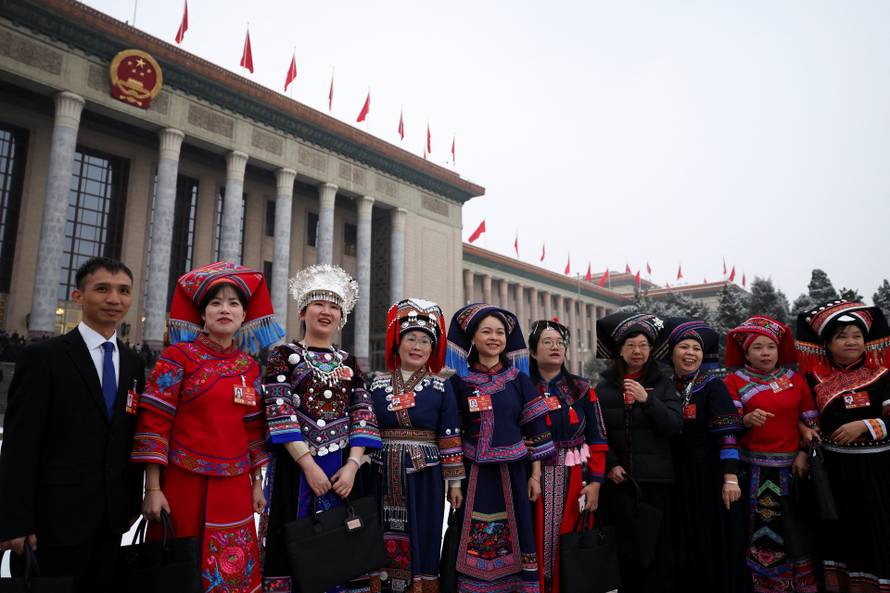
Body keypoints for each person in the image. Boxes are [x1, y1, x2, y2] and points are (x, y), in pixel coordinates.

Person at [131, 262, 285, 593]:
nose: (224, 309)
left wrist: (257, 483)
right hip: (182, 484)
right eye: (215, 303)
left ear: (244, 315)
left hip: (234, 488)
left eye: (233, 303)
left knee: (230, 574)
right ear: (202, 315)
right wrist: (153, 488)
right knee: (180, 571)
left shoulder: (249, 367)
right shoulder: (178, 357)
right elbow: (155, 422)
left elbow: (253, 431)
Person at [0, 257, 145, 592]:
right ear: (78, 297)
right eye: (102, 289)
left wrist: (131, 505)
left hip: (111, 523)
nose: (114, 299)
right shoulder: (44, 357)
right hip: (52, 524)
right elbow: (20, 444)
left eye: (123, 291)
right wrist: (15, 521)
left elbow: (128, 436)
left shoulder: (133, 363)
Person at [261, 264, 381, 593]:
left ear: (341, 317)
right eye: (318, 304)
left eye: (334, 306)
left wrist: (353, 466)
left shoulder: (348, 362)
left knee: (341, 542)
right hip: (296, 466)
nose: (325, 312)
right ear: (302, 311)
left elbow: (363, 413)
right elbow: (279, 408)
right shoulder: (282, 355)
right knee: (297, 541)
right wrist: (308, 465)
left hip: (342, 469)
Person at [444, 303, 555, 593]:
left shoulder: (519, 380)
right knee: (472, 532)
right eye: (486, 332)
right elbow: (451, 433)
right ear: (473, 339)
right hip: (475, 475)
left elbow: (536, 428)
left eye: (499, 333)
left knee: (519, 531)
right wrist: (454, 482)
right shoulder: (458, 383)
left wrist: (535, 475)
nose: (494, 338)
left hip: (515, 473)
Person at [367, 298, 465, 593]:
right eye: (411, 338)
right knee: (378, 528)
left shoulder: (441, 385)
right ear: (398, 343)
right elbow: (366, 426)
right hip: (380, 469)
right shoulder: (376, 383)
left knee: (424, 528)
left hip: (424, 472)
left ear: (432, 349)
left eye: (425, 341)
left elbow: (450, 434)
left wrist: (455, 483)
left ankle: (420, 584)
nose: (418, 346)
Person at [795, 300, 890, 593]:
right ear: (827, 344)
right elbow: (800, 417)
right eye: (841, 336)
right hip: (833, 471)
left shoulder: (884, 375)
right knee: (839, 534)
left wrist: (866, 426)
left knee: (879, 532)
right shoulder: (812, 379)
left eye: (856, 335)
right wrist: (802, 442)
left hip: (878, 471)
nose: (851, 341)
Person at [723, 316, 819, 593]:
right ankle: (766, 584)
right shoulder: (734, 381)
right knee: (762, 531)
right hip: (754, 471)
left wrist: (803, 453)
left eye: (770, 347)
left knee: (797, 530)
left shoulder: (795, 380)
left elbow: (810, 423)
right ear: (746, 353)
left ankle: (802, 583)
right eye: (757, 348)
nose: (765, 353)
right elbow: (728, 425)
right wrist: (747, 419)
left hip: (796, 469)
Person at [653, 318, 748, 593]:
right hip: (678, 480)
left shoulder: (712, 386)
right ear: (672, 353)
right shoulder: (668, 387)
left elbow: (728, 432)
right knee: (685, 543)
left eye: (696, 348)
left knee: (712, 543)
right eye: (684, 347)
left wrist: (730, 478)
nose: (691, 353)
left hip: (710, 479)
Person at [594, 311, 682, 593]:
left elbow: (673, 425)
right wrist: (610, 464)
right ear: (620, 349)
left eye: (643, 345)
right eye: (631, 345)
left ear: (651, 349)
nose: (637, 351)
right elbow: (596, 432)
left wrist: (648, 400)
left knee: (658, 554)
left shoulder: (663, 383)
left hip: (656, 484)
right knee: (625, 553)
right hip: (619, 485)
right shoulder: (604, 387)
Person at [526, 319, 608, 593]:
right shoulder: (522, 387)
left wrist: (596, 481)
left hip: (575, 478)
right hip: (531, 477)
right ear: (534, 352)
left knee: (571, 540)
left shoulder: (582, 389)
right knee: (532, 538)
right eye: (547, 342)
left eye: (560, 343)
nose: (555, 347)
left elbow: (598, 438)